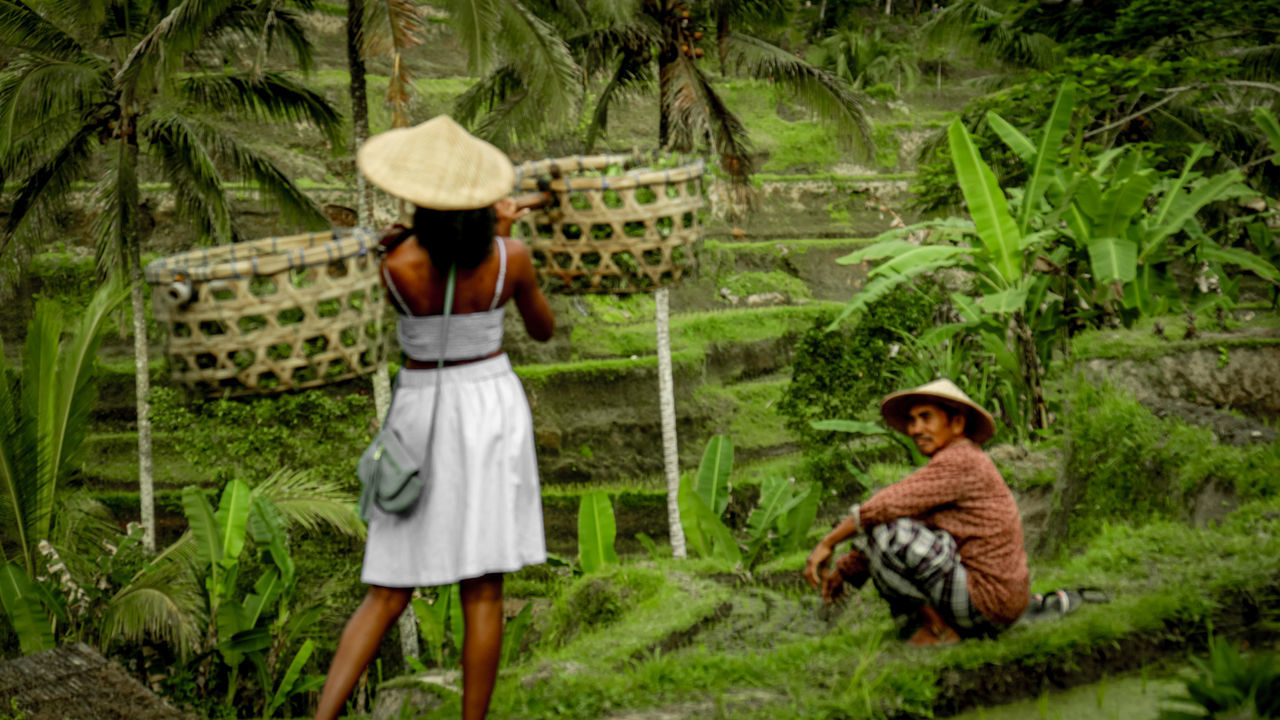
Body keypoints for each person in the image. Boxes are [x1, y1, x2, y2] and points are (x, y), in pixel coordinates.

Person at [314, 116, 555, 720]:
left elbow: (411, 282)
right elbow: (542, 330)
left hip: (421, 409)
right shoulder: (512, 257)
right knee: (484, 586)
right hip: (490, 406)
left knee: (388, 588)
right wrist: (503, 233)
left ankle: (322, 717)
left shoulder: (394, 264)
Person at [803, 379, 1029, 646]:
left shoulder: (961, 460)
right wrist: (844, 570)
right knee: (889, 527)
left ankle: (940, 629)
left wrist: (828, 543)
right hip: (993, 600)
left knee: (891, 533)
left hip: (987, 599)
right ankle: (937, 626)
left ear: (956, 423)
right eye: (912, 420)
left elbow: (884, 507)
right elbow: (895, 514)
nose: (916, 429)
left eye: (926, 417)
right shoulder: (955, 465)